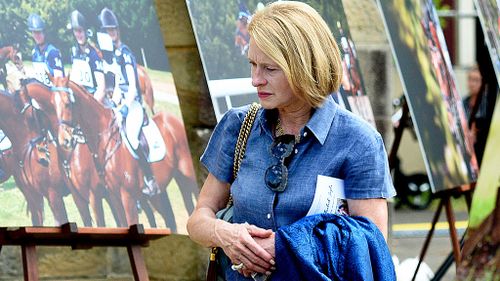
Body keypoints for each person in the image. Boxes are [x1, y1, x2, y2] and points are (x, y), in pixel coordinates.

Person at [187, 2, 396, 280]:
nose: (255, 80)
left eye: (269, 69)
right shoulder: (238, 127)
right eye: (252, 64)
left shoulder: (359, 142)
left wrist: (284, 247)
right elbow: (199, 218)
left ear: (304, 66)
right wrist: (226, 234)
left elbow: (369, 247)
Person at [98, 7, 159, 196]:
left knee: (132, 139)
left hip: (134, 107)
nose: (111, 33)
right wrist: (113, 103)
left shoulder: (125, 54)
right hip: (122, 104)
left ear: (117, 31)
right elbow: (118, 85)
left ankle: (150, 179)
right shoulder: (114, 56)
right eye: (108, 30)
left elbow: (132, 86)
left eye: (113, 29)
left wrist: (124, 107)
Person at [68, 10, 106, 104]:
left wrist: (91, 106)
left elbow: (101, 88)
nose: (78, 34)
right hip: (78, 100)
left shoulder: (94, 55)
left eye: (80, 31)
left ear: (86, 32)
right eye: (76, 31)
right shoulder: (74, 52)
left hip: (93, 99)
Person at [462, 64, 491, 165]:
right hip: (466, 151)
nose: (472, 84)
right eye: (470, 79)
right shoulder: (463, 103)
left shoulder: (488, 105)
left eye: (476, 80)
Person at [27, 13, 65, 87]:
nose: (37, 35)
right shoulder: (34, 52)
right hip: (41, 91)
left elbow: (59, 79)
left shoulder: (52, 52)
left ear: (44, 33)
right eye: (34, 32)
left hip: (54, 91)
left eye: (39, 32)